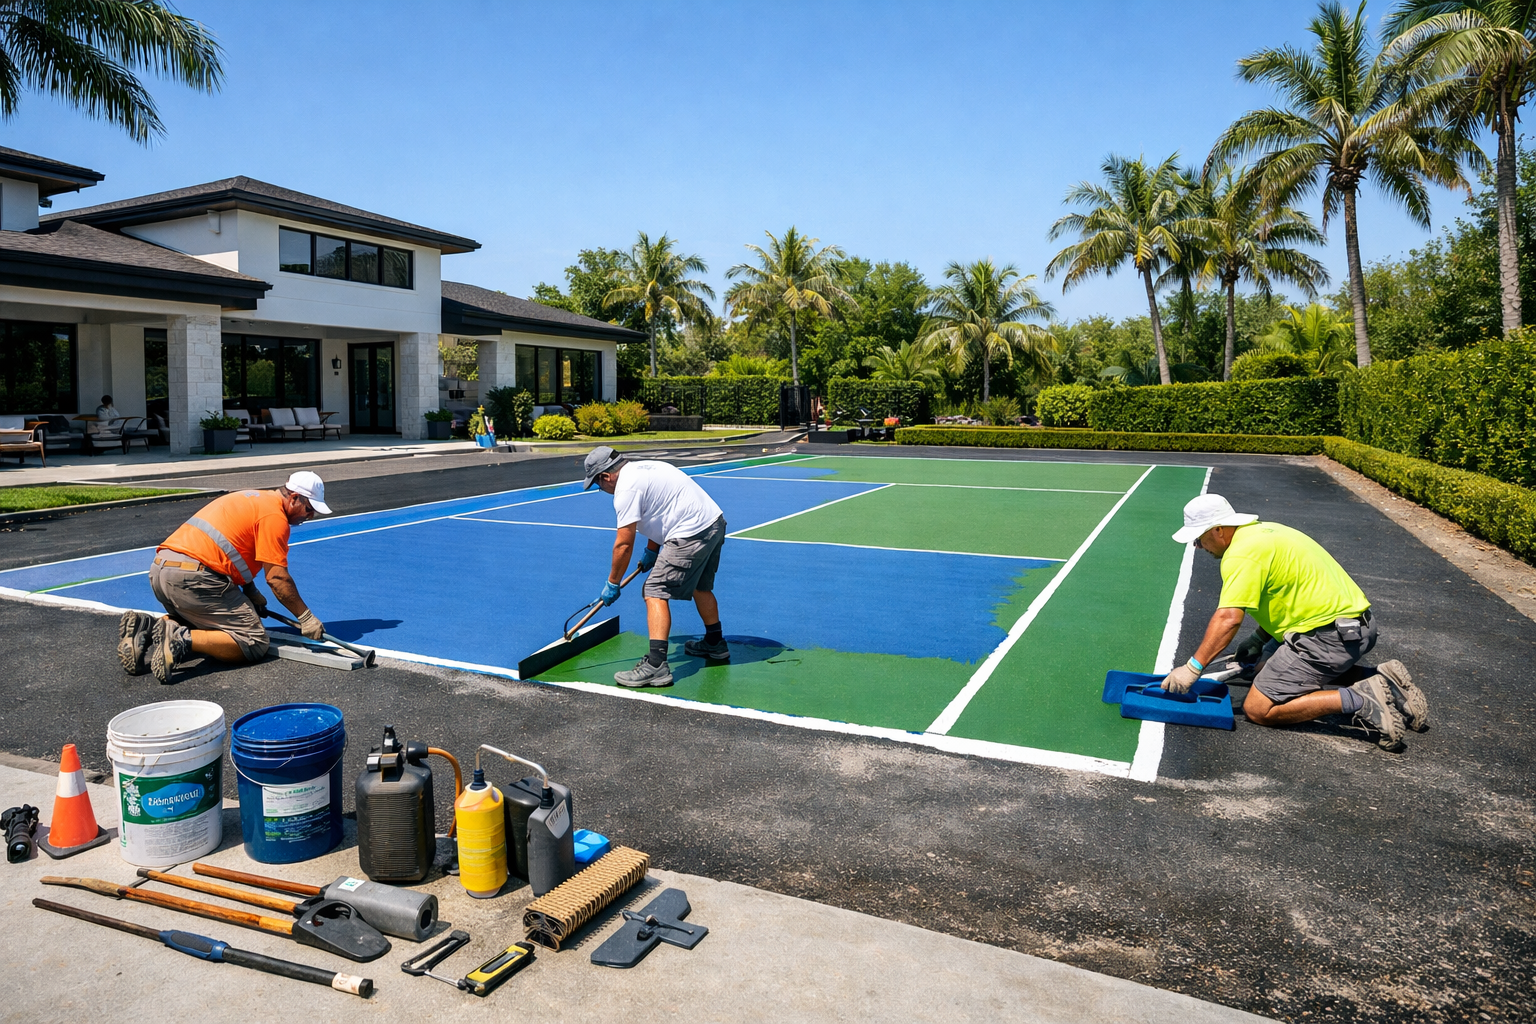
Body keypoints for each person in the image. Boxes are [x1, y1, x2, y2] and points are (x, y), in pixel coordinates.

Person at [1165, 493, 1429, 750]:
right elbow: (1289, 595)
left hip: (1328, 637)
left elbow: (1228, 618)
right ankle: (1383, 680)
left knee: (1258, 708)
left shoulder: (1241, 554)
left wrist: (1193, 668)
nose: (1197, 546)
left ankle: (1361, 698)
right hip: (1359, 627)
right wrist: (1259, 638)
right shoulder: (1268, 531)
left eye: (1198, 538)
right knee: (1262, 667)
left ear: (1218, 530)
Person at [117, 471, 333, 683]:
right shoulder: (275, 518)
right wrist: (305, 617)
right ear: (294, 498)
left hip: (161, 572)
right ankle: (180, 638)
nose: (310, 515)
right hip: (194, 578)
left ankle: (147, 628)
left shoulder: (252, 498)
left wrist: (250, 592)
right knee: (254, 641)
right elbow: (277, 578)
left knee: (209, 620)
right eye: (309, 508)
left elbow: (230, 548)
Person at [583, 445, 729, 687]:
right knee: (700, 586)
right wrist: (652, 549)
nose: (601, 489)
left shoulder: (625, 491)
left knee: (654, 590)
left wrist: (613, 583)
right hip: (713, 523)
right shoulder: (646, 469)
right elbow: (661, 512)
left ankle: (656, 665)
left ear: (606, 476)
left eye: (598, 484)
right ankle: (715, 643)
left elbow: (623, 545)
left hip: (690, 532)